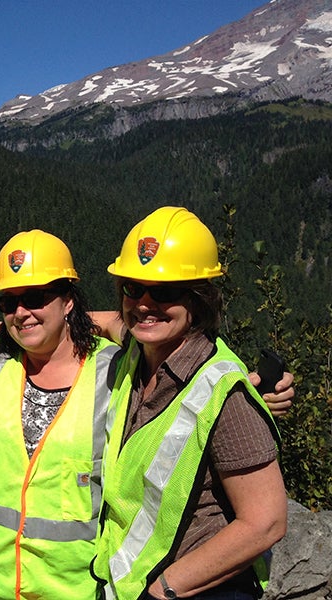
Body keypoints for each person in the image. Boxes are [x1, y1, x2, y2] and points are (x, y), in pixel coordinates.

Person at [91, 206, 288, 600]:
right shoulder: (137, 348)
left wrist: (166, 589)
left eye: (164, 292)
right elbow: (102, 320)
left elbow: (266, 522)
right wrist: (16, 320)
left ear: (198, 299)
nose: (144, 304)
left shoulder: (223, 394)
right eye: (133, 288)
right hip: (131, 580)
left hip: (193, 588)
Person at [0, 229, 120, 599]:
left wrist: (252, 394)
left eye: (34, 297)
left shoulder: (117, 371)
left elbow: (178, 349)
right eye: (7, 302)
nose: (20, 312)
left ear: (68, 301)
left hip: (73, 589)